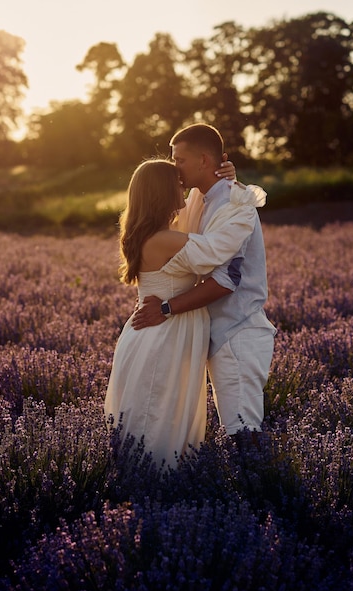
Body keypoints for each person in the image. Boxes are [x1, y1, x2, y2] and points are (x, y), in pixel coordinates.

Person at [104, 158, 260, 467]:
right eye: (177, 183)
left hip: (157, 332)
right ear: (162, 192)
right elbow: (217, 248)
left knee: (158, 412)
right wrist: (244, 202)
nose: (185, 187)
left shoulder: (158, 233)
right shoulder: (164, 240)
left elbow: (195, 209)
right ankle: (155, 495)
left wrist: (225, 182)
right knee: (157, 413)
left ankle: (151, 490)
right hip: (164, 333)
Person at [132, 123, 276, 442]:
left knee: (243, 433)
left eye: (179, 160)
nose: (174, 167)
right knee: (231, 429)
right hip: (213, 333)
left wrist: (166, 308)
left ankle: (260, 490)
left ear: (203, 161)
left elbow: (227, 280)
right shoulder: (200, 197)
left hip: (237, 330)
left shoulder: (233, 205)